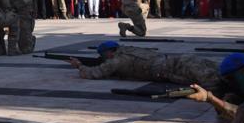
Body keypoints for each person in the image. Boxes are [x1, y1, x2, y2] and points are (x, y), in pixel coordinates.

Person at [68, 41, 221, 88]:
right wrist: (81, 65)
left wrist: (79, 65)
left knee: (208, 72)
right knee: (209, 73)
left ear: (108, 53)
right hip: (170, 65)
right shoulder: (125, 52)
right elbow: (94, 72)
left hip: (171, 65)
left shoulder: (117, 60)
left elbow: (92, 73)